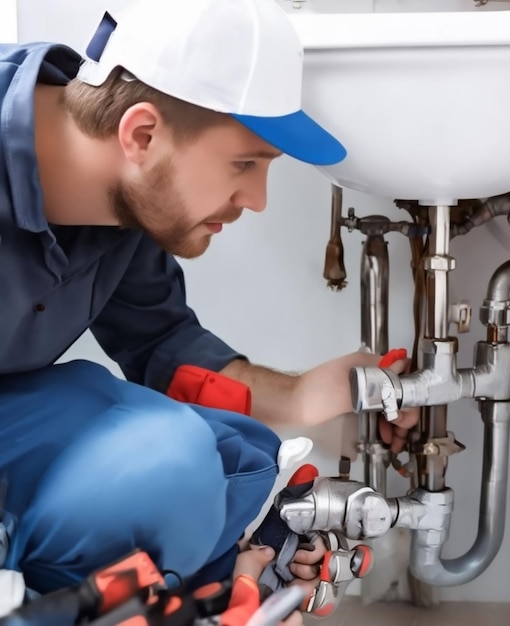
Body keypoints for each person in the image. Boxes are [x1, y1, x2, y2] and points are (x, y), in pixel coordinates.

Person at [0, 0, 418, 614]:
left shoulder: (122, 203)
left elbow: (162, 346)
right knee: (178, 479)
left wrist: (303, 395)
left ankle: (229, 566)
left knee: (222, 458)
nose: (256, 199)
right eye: (244, 163)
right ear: (141, 134)